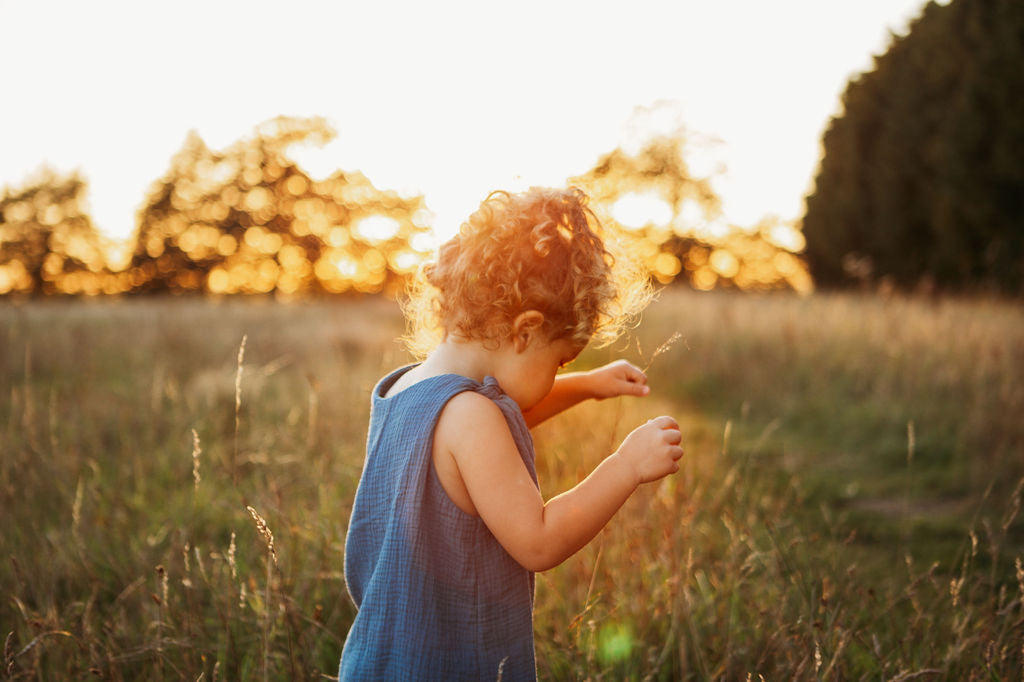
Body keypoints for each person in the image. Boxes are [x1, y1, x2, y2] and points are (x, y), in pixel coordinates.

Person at [339, 187, 685, 681]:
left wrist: (585, 385)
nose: (560, 370)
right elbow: (538, 542)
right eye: (561, 360)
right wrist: (626, 466)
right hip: (445, 666)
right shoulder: (471, 416)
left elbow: (492, 438)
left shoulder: (407, 389)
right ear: (525, 331)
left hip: (381, 659)